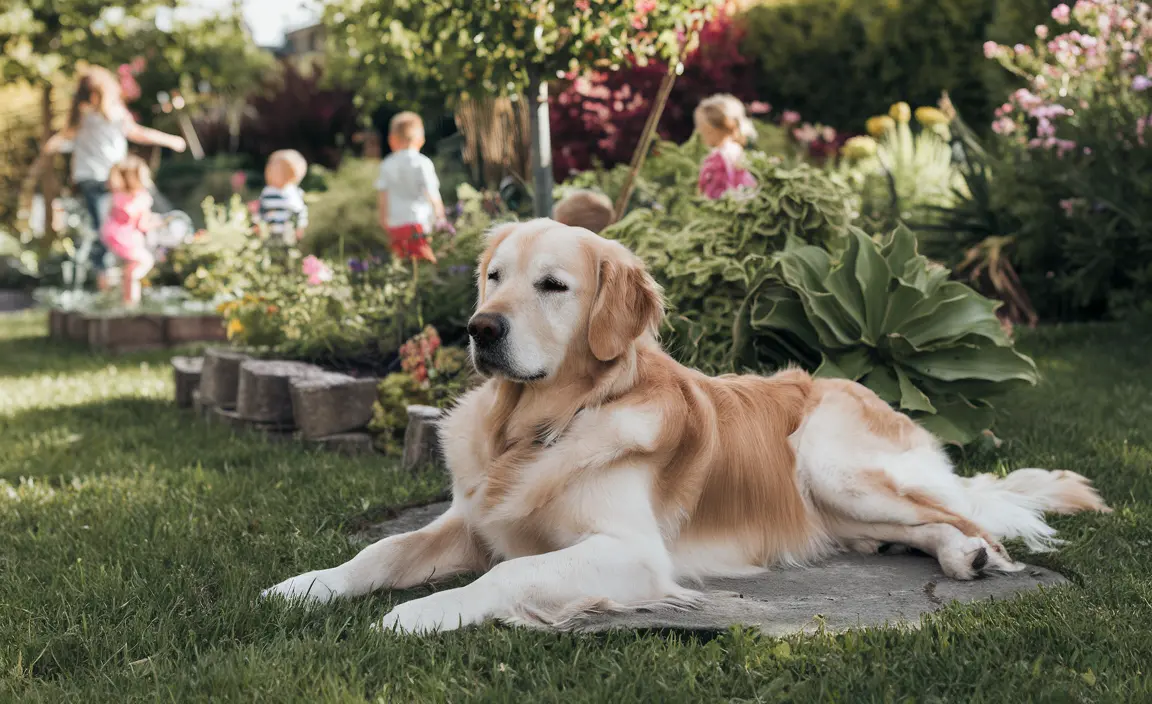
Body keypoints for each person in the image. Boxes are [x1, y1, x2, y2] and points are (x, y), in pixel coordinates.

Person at [39, 67, 186, 287]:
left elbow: (137, 133)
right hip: (97, 179)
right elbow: (67, 135)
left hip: (113, 180)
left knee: (118, 225)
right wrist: (53, 145)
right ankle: (108, 280)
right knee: (105, 229)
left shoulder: (107, 114)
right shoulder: (85, 116)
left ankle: (125, 273)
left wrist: (168, 140)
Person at [376, 112, 447, 264]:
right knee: (424, 262)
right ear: (421, 140)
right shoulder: (423, 163)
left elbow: (383, 197)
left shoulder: (386, 164)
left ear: (391, 140)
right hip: (419, 222)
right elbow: (432, 193)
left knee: (402, 264)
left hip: (395, 224)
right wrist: (441, 217)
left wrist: (383, 221)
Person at [101, 156, 157, 306]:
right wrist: (157, 223)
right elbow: (142, 225)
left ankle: (124, 295)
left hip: (112, 234)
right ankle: (125, 293)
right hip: (126, 238)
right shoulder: (141, 198)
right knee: (144, 262)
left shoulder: (117, 195)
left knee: (131, 267)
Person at [694, 94, 757, 200]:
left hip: (729, 204)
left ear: (711, 131)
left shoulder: (726, 153)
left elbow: (724, 186)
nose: (700, 134)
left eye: (702, 131)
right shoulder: (726, 150)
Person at [257, 149, 309, 246]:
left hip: (288, 232)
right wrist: (259, 222)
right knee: (270, 248)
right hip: (270, 230)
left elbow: (300, 211)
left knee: (287, 250)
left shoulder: (295, 193)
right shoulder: (267, 192)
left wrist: (300, 226)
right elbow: (262, 209)